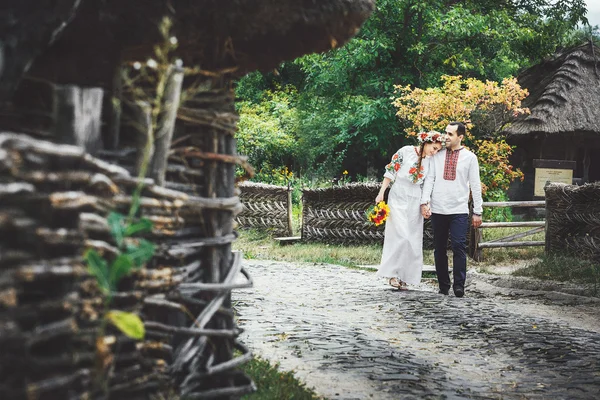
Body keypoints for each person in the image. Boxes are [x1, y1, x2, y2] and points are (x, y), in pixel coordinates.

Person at [420, 122, 483, 297]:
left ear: (460, 137)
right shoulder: (437, 155)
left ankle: (459, 286)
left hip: (459, 210)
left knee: (458, 246)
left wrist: (478, 211)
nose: (446, 137)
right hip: (438, 209)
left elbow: (475, 186)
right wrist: (425, 202)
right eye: (446, 133)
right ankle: (443, 285)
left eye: (451, 134)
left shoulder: (470, 158)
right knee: (439, 248)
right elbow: (430, 179)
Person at [375, 131, 444, 290]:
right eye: (433, 148)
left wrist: (425, 203)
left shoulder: (431, 161)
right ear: (425, 143)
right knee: (400, 235)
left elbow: (427, 183)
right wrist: (381, 193)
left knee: (413, 238)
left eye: (437, 150)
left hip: (415, 197)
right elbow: (391, 171)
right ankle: (393, 273)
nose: (434, 152)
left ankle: (406, 276)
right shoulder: (405, 151)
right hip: (398, 195)